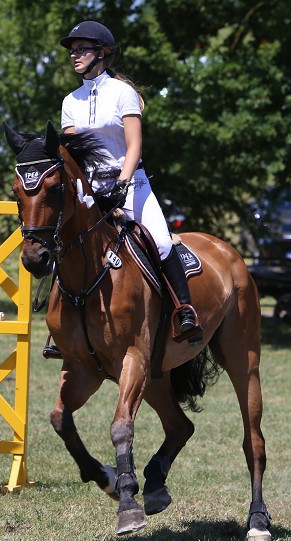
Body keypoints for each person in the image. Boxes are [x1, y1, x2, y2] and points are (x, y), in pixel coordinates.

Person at [58, 20, 200, 341]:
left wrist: (122, 183)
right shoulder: (70, 101)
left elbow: (134, 144)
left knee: (162, 241)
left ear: (102, 53)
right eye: (72, 50)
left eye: (81, 49)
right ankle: (62, 326)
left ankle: (185, 310)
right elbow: (71, 152)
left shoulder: (124, 93)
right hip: (91, 190)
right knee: (65, 244)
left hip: (130, 184)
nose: (74, 55)